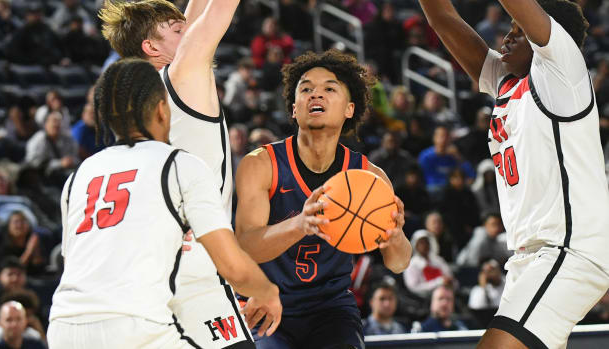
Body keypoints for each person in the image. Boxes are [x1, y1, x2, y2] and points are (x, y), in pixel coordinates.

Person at [47, 58, 281, 349]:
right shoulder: (179, 165)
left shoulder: (77, 177)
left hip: (63, 328)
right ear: (161, 109)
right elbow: (231, 266)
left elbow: (73, 264)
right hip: (133, 329)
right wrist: (266, 291)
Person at [418, 0, 609, 347]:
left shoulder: (562, 71)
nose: (506, 37)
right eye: (510, 29)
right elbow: (443, 18)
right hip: (527, 257)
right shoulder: (505, 82)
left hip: (570, 249)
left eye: (519, 31)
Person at [99, 1, 255, 346]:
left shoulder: (139, 110)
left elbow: (197, 15)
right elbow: (216, 13)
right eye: (178, 30)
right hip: (195, 278)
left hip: (145, 281)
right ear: (151, 47)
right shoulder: (183, 76)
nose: (191, 32)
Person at [235, 50, 413, 348]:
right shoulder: (261, 164)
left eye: (329, 88)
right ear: (294, 108)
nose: (315, 94)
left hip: (331, 309)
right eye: (305, 89)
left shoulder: (370, 176)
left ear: (349, 108)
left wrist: (394, 237)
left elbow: (398, 264)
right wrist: (301, 225)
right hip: (266, 301)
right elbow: (247, 245)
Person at [403, 230, 454, 299]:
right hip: (421, 300)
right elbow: (414, 288)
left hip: (445, 296)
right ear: (416, 245)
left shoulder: (438, 260)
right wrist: (439, 282)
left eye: (426, 242)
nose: (424, 245)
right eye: (421, 243)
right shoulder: (411, 264)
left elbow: (449, 278)